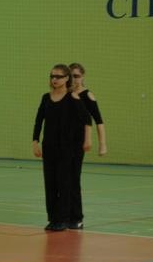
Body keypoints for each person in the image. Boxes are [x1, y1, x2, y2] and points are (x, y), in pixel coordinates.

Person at [33, 64, 92, 231]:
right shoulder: (46, 98)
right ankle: (53, 218)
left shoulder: (72, 97)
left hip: (67, 149)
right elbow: (39, 120)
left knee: (64, 183)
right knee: (50, 184)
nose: (54, 79)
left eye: (58, 76)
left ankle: (64, 219)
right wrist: (35, 141)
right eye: (52, 76)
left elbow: (87, 120)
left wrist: (87, 140)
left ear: (67, 78)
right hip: (49, 148)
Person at [68, 63, 106, 228]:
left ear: (82, 76)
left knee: (73, 179)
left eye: (76, 76)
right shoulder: (65, 94)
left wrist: (102, 144)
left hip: (78, 143)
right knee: (63, 179)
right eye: (71, 76)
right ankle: (63, 215)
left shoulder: (87, 95)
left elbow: (99, 121)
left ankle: (77, 217)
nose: (74, 79)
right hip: (63, 141)